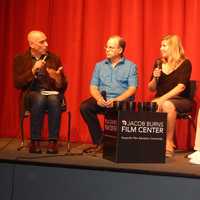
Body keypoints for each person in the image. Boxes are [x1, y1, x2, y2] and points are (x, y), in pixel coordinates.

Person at [80, 35, 138, 154]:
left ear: (120, 50)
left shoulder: (131, 66)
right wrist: (98, 98)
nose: (107, 49)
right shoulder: (99, 65)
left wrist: (116, 100)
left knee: (114, 110)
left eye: (111, 47)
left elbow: (132, 89)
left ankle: (116, 145)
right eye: (106, 47)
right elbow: (93, 87)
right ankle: (100, 142)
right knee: (85, 107)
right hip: (103, 98)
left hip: (121, 100)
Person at [13, 30, 67, 154]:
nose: (46, 44)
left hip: (51, 93)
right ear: (32, 44)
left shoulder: (54, 58)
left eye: (46, 41)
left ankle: (53, 142)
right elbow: (17, 83)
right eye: (42, 42)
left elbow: (62, 87)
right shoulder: (20, 59)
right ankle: (35, 141)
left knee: (54, 99)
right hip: (31, 94)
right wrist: (33, 70)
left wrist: (58, 79)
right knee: (39, 98)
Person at [148, 34, 192, 158]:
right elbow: (151, 88)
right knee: (154, 104)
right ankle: (155, 142)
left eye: (164, 46)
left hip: (181, 100)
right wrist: (155, 78)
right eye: (161, 45)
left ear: (173, 47)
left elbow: (181, 87)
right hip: (161, 99)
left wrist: (162, 99)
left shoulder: (185, 63)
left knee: (166, 104)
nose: (161, 48)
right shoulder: (158, 63)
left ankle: (168, 142)